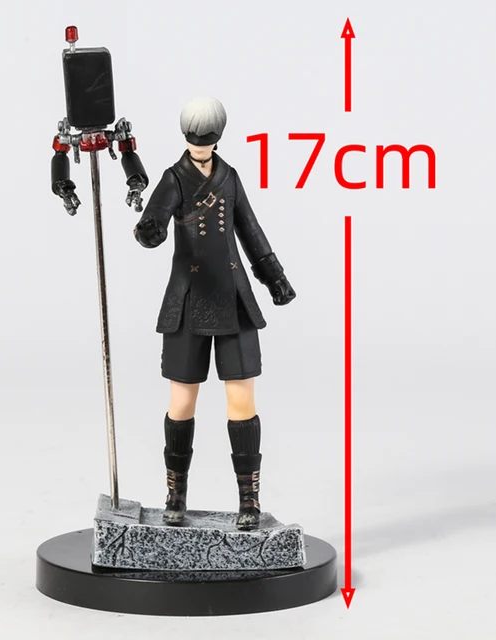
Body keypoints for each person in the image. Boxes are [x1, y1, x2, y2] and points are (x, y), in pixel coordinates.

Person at [133, 97, 295, 530]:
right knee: (182, 402)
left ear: (217, 138)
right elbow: (155, 220)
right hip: (188, 299)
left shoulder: (229, 177)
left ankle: (249, 500)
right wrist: (149, 230)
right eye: (194, 140)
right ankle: (175, 494)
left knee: (242, 399)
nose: (200, 147)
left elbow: (251, 230)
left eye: (206, 140)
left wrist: (274, 277)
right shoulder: (174, 178)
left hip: (232, 298)